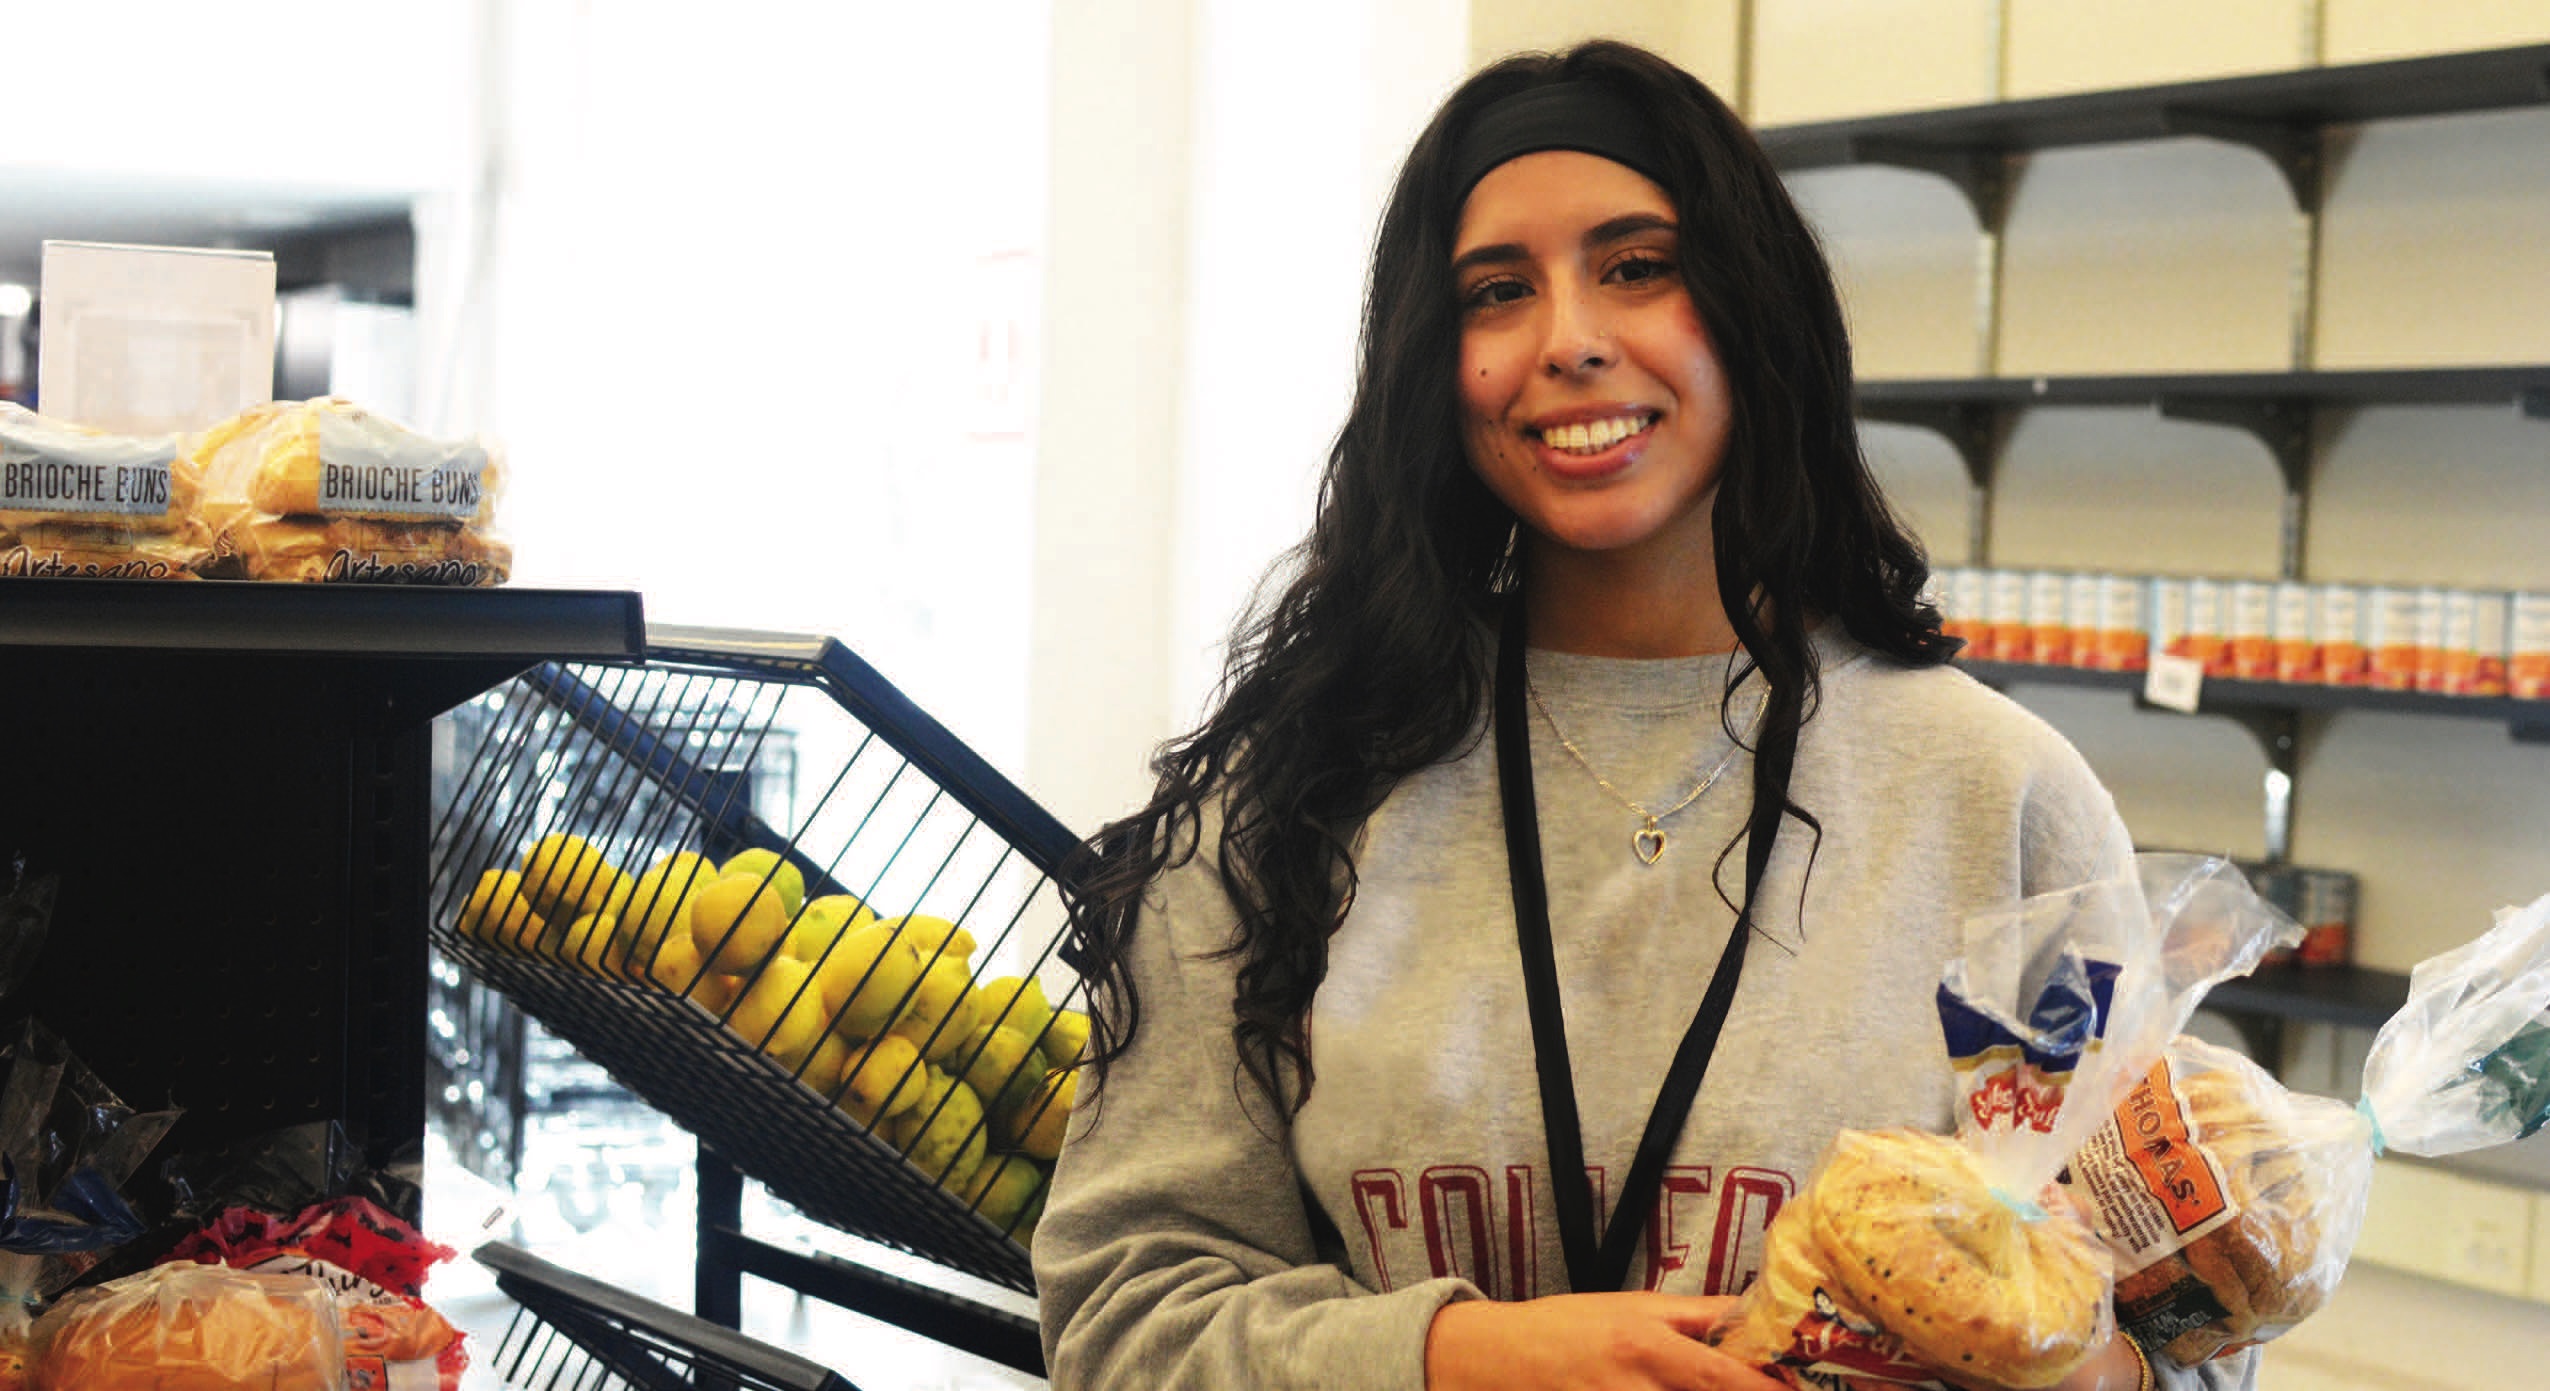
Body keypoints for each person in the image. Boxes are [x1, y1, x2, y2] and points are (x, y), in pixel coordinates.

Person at [1033, 37, 2250, 1391]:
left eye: (1636, 266)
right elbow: (1118, 1321)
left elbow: (2190, 1340)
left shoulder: (1993, 793)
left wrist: (2066, 1366)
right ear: (1436, 363)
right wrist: (1461, 1360)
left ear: (1751, 312)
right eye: (1498, 292)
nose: (1568, 340)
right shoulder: (1299, 791)